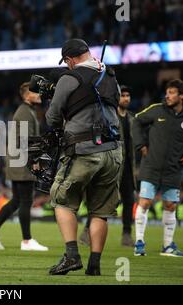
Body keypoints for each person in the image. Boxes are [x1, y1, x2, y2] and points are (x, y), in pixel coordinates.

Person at [45, 39, 122, 276]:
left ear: (70, 60)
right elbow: (116, 101)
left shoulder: (69, 77)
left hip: (84, 149)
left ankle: (72, 256)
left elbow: (53, 117)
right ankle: (95, 265)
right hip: (113, 151)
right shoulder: (110, 75)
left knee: (61, 199)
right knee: (100, 210)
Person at [132, 79, 183, 257]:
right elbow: (136, 121)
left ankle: (167, 246)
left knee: (170, 206)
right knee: (144, 202)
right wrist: (140, 145)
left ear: (182, 96)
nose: (167, 96)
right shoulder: (156, 109)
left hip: (173, 170)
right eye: (167, 92)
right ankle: (139, 242)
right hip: (151, 166)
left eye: (171, 93)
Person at [0, 82, 48, 251]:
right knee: (25, 201)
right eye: (35, 92)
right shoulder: (25, 112)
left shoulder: (26, 111)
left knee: (16, 201)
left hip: (17, 161)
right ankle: (27, 240)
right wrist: (36, 161)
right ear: (26, 95)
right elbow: (27, 140)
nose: (39, 95)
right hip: (22, 162)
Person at [79, 85, 137, 247]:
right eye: (123, 95)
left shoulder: (131, 119)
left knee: (129, 201)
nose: (126, 98)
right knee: (102, 200)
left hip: (128, 169)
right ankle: (86, 231)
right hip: (113, 165)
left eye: (128, 95)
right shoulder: (109, 117)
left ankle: (127, 235)